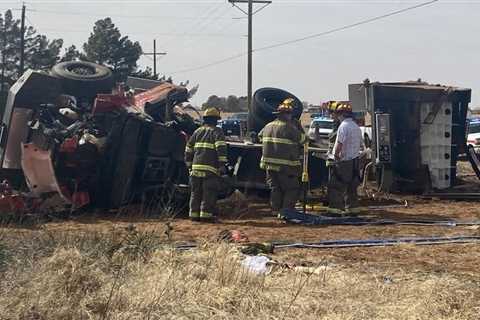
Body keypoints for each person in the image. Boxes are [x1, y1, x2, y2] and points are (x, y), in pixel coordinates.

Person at [259, 98, 306, 217]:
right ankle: (287, 212)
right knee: (292, 189)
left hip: (269, 165)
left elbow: (260, 136)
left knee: (275, 188)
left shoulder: (268, 126)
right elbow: (303, 139)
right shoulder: (289, 127)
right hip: (286, 166)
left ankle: (275, 211)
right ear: (287, 115)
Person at [185, 107, 227, 222]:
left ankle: (193, 215)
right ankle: (206, 216)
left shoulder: (197, 131)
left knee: (195, 193)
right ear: (215, 120)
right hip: (210, 170)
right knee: (208, 193)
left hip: (195, 169)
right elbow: (221, 149)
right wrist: (222, 165)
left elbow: (188, 149)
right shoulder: (217, 132)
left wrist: (189, 165)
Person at [327, 103, 363, 215]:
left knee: (335, 186)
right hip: (355, 162)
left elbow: (339, 144)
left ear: (340, 114)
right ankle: (353, 209)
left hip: (343, 162)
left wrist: (335, 156)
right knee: (351, 188)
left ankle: (335, 210)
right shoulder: (356, 127)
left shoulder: (343, 126)